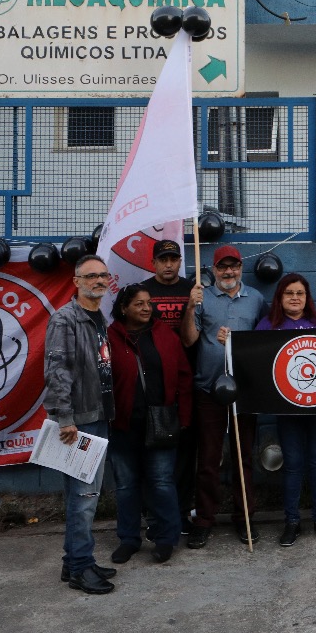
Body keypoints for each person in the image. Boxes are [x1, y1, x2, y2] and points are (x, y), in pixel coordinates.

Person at [180, 245, 267, 549]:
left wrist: (240, 341)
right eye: (222, 268)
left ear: (242, 267)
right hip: (209, 389)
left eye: (234, 267)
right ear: (214, 270)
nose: (229, 272)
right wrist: (191, 307)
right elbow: (189, 339)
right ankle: (204, 520)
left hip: (243, 392)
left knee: (243, 457)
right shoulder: (203, 298)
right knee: (208, 459)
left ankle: (244, 517)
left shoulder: (255, 299)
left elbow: (264, 341)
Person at [43, 254, 118, 594]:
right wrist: (66, 418)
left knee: (81, 494)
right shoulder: (65, 320)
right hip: (80, 421)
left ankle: (73, 559)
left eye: (102, 275)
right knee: (85, 496)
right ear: (76, 282)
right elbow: (57, 371)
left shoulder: (97, 316)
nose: (98, 281)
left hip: (98, 415)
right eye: (90, 276)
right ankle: (80, 570)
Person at [105, 284, 193, 565]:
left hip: (162, 421)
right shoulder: (109, 337)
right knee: (126, 485)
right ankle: (129, 540)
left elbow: (183, 376)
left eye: (148, 303)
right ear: (123, 308)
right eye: (139, 304)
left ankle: (166, 538)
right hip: (123, 425)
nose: (146, 308)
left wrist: (185, 417)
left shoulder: (165, 335)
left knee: (162, 482)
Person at [257, 273, 316, 547]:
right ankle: (291, 521)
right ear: (280, 297)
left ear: (307, 297)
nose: (294, 297)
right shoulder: (268, 326)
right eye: (289, 292)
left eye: (300, 293)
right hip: (287, 409)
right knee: (292, 465)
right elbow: (255, 359)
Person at [140, 238, 198, 534]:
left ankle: (183, 512)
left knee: (186, 453)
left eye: (173, 259)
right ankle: (155, 515)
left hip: (187, 383)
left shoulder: (193, 290)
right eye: (163, 259)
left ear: (179, 261)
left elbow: (195, 338)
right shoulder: (143, 292)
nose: (168, 264)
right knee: (155, 453)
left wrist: (194, 304)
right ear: (153, 263)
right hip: (154, 386)